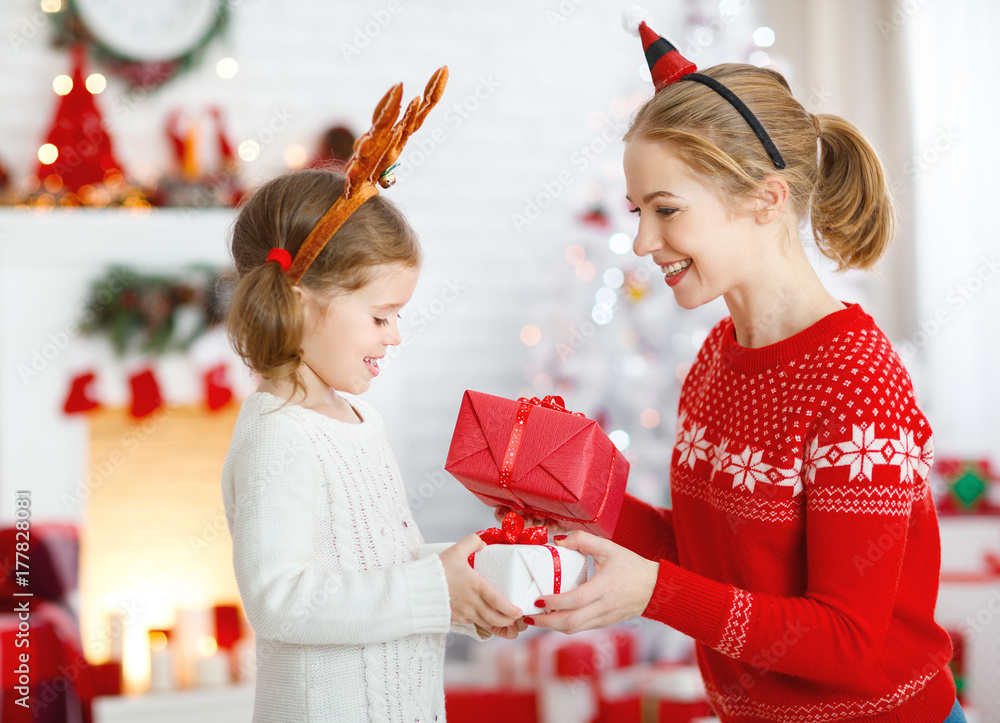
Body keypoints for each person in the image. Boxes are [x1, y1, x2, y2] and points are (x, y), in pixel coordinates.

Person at [523, 16, 964, 723]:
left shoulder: (856, 378)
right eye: (638, 212)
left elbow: (846, 642)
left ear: (766, 198)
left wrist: (653, 592)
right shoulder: (717, 358)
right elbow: (712, 557)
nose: (642, 241)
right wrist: (571, 492)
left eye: (666, 210)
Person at [221, 165, 523, 721]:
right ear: (300, 301)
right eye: (382, 315)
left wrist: (467, 582)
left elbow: (379, 566)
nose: (396, 333)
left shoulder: (360, 418)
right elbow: (281, 601)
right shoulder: (279, 436)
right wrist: (436, 589)